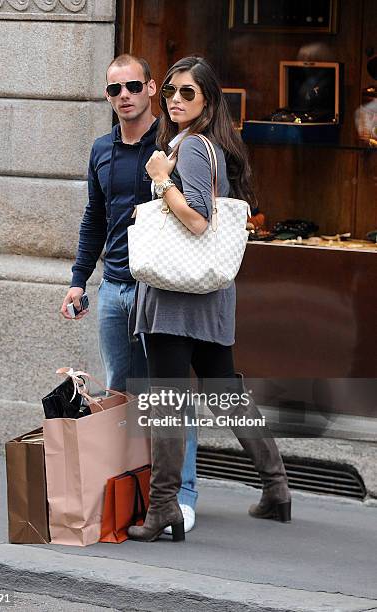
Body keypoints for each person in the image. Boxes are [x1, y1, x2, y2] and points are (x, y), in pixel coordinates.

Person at [128, 56, 291, 543]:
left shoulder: (192, 148)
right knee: (225, 393)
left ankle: (162, 507)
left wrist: (161, 180)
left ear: (208, 100)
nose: (175, 101)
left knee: (167, 402)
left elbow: (197, 218)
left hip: (177, 296)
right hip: (207, 294)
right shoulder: (213, 146)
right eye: (170, 93)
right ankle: (277, 488)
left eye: (187, 94)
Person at [60, 54, 198, 531]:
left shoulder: (174, 145)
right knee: (121, 390)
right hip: (114, 287)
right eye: (115, 90)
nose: (125, 97)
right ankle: (134, 486)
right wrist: (79, 279)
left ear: (152, 89)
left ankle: (182, 495)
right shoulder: (101, 149)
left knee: (167, 393)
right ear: (107, 96)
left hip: (159, 289)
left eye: (134, 87)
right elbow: (93, 218)